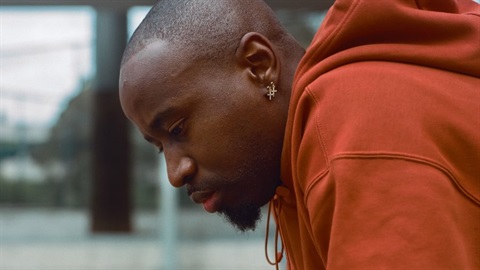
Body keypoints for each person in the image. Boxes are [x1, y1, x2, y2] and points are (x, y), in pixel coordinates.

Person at [119, 0, 480, 269]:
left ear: (259, 66)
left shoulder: (355, 128)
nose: (175, 172)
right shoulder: (298, 162)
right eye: (158, 147)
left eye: (178, 129)